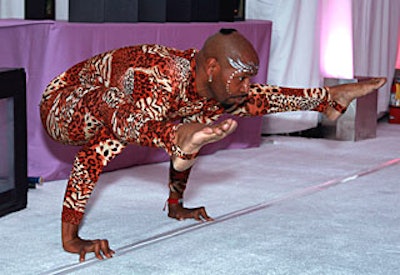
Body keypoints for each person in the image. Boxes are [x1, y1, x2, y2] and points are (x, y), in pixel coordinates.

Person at [39, 28, 386, 262]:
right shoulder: (158, 78)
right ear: (212, 67)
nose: (247, 84)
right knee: (120, 119)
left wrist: (176, 204)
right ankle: (175, 139)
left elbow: (261, 97)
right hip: (62, 106)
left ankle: (325, 99)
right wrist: (72, 237)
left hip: (130, 113)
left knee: (224, 109)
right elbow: (93, 153)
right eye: (241, 77)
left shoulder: (209, 86)